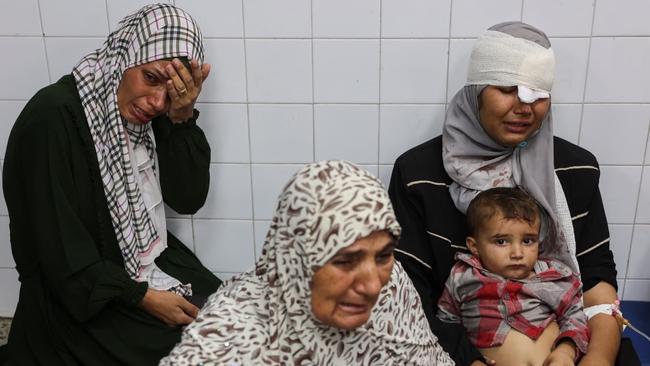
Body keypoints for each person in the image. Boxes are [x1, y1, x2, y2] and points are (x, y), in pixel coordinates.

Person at [389, 22, 623, 366]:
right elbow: (409, 297)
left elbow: (596, 284)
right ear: (476, 91)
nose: (524, 106)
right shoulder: (419, 174)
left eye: (536, 94)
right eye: (506, 88)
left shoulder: (576, 171)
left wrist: (594, 360)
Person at [2, 4, 221, 365]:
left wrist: (181, 119)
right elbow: (59, 252)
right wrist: (144, 298)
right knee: (194, 350)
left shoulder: (150, 111)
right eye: (150, 78)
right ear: (125, 56)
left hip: (140, 263)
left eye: (172, 92)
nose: (156, 102)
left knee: (233, 313)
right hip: (78, 298)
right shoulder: (52, 118)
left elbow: (188, 198)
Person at [160, 160, 454, 365]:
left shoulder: (393, 286)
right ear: (294, 258)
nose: (372, 285)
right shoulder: (228, 340)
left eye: (382, 256)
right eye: (344, 261)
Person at [437, 188, 589, 366]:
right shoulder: (463, 277)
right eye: (501, 241)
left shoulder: (554, 277)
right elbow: (446, 326)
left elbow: (576, 318)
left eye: (527, 241)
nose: (517, 253)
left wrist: (566, 352)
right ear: (474, 246)